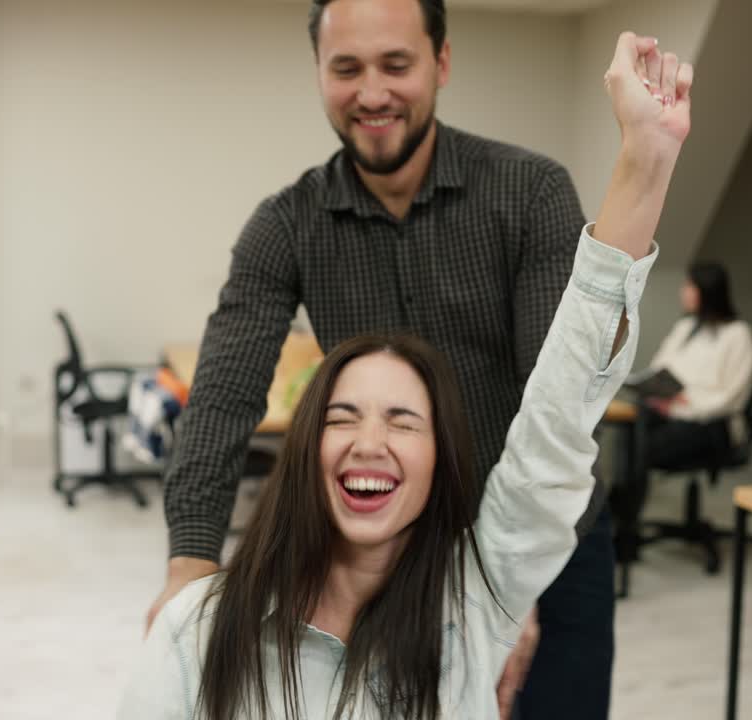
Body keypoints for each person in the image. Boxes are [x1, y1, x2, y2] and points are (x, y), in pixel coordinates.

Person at [147, 0, 692, 716]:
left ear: (441, 63)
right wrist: (190, 560)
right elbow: (222, 396)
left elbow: (555, 393)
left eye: (395, 65)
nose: (371, 93)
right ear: (319, 73)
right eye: (346, 68)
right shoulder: (286, 225)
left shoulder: (527, 192)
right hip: (390, 552)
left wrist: (501, 583)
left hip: (542, 537)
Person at [639, 261, 752, 467]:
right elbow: (659, 368)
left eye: (689, 286)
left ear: (708, 291)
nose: (683, 292)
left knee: (644, 444)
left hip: (711, 423)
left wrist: (684, 405)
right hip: (671, 411)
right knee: (632, 426)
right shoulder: (686, 327)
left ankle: (625, 495)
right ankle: (621, 495)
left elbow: (731, 397)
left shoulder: (738, 335)